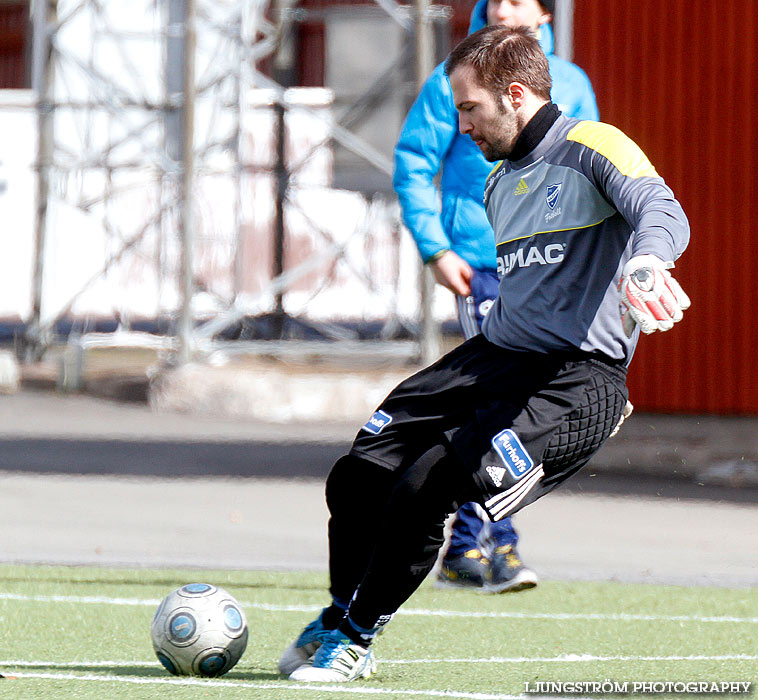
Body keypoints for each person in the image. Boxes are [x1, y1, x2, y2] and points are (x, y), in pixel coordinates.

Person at [280, 24, 691, 683]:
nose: (461, 124)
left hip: (574, 378)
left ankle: (356, 638)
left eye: (468, 108)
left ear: (516, 95)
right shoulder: (500, 185)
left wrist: (646, 264)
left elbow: (660, 209)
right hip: (495, 357)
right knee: (360, 472)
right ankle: (337, 612)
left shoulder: (592, 145)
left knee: (427, 485)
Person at [393, 0, 598, 592]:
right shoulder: (453, 79)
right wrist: (436, 247)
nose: (507, 7)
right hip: (482, 263)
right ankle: (482, 546)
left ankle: (471, 544)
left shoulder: (573, 82)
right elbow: (413, 162)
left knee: (534, 402)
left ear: (542, 10)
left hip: (548, 269)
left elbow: (588, 175)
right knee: (499, 397)